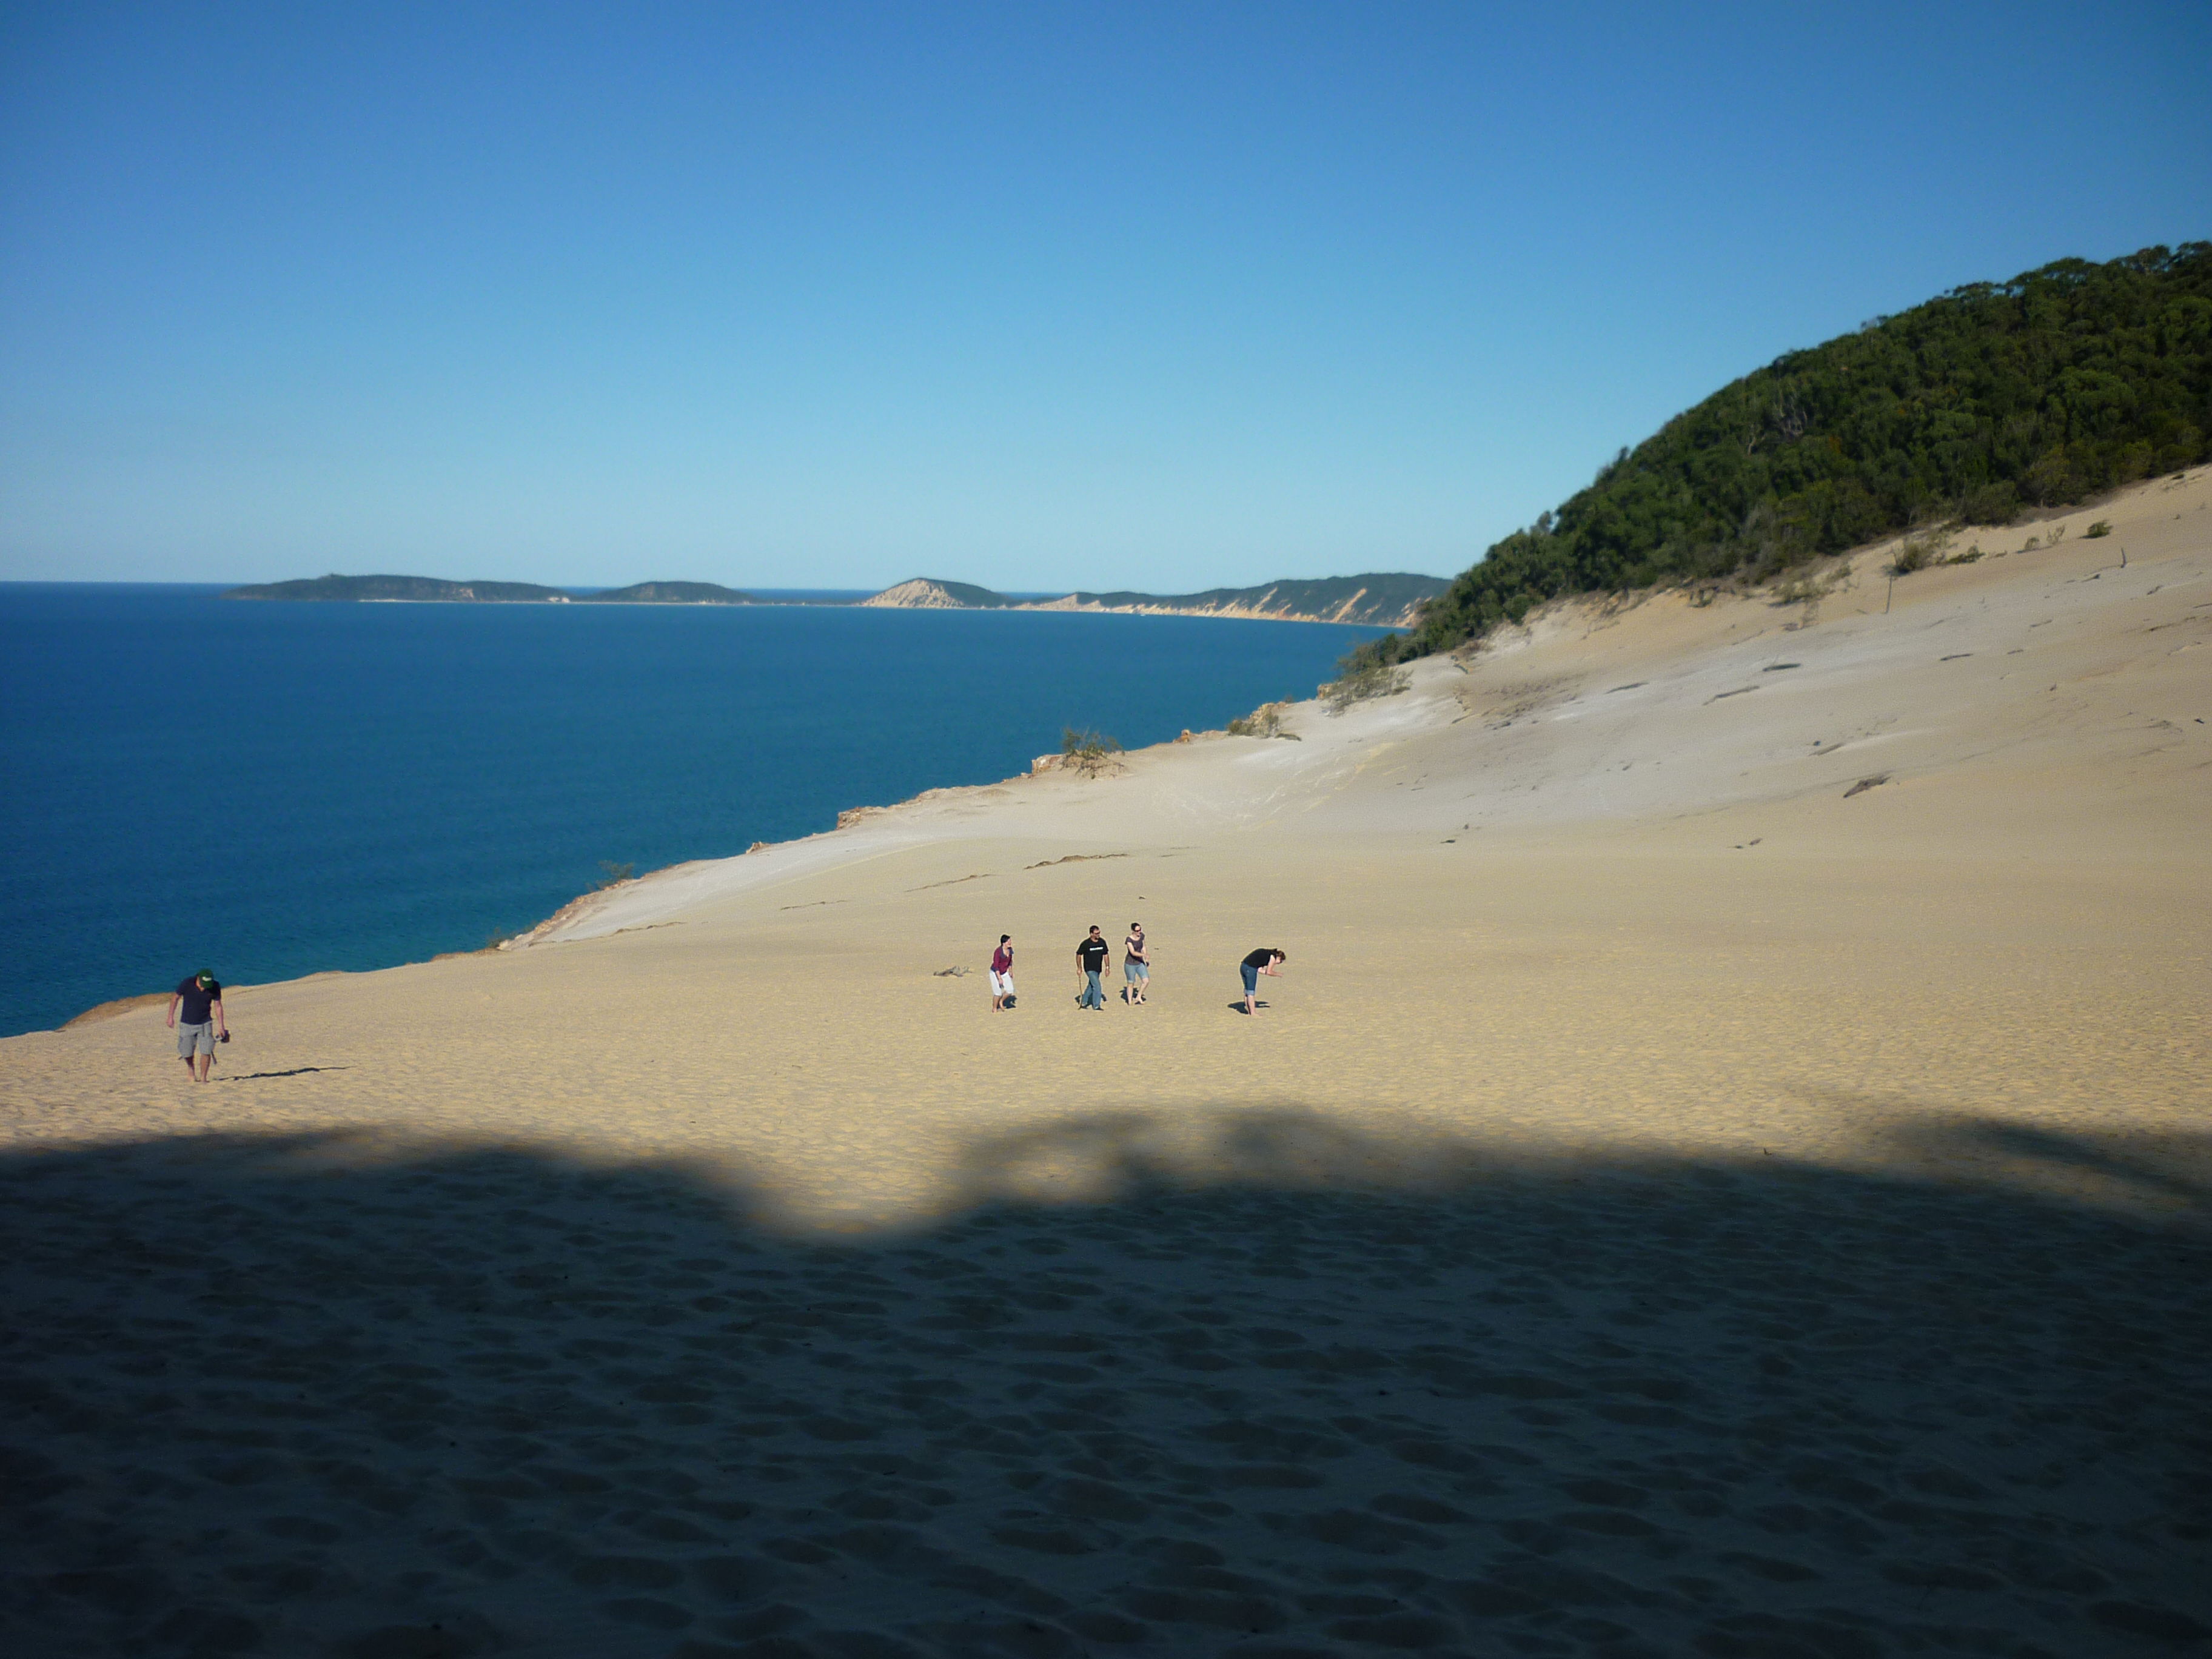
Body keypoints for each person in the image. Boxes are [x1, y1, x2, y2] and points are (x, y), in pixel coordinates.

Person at [167, 968, 228, 1082]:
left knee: (206, 1050)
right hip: (187, 1023)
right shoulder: (187, 983)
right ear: (198, 978)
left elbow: (218, 1006)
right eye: (203, 984)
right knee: (186, 1051)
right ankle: (191, 1069)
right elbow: (175, 998)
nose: (205, 987)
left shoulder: (215, 986)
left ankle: (203, 1078)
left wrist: (221, 1026)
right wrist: (170, 1017)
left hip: (205, 1023)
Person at [1239, 947, 1285, 1016]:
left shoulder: (1266, 954)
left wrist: (1270, 973)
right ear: (1279, 957)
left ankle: (1250, 1012)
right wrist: (1278, 974)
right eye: (1280, 961)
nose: (1278, 963)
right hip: (1250, 968)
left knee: (1247, 992)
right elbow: (1269, 972)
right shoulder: (1273, 957)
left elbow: (1260, 970)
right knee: (1251, 992)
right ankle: (1253, 1013)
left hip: (1243, 966)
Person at [1076, 926, 1111, 1010]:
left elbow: (1106, 955)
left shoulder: (1102, 942)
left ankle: (1084, 1002)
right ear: (1091, 934)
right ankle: (1096, 1006)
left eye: (1099, 933)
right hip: (1089, 969)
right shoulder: (1086, 944)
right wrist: (1079, 968)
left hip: (1098, 968)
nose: (1098, 935)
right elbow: (1078, 955)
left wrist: (1107, 967)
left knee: (1091, 986)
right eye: (1096, 934)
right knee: (1097, 986)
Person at [1122, 922, 1149, 1004]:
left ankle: (1139, 996)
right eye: (1137, 931)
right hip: (1130, 964)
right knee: (1131, 983)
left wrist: (1146, 957)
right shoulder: (1129, 940)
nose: (1139, 932)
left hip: (1140, 962)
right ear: (1133, 931)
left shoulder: (1142, 936)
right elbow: (1133, 952)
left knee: (1146, 980)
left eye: (1140, 930)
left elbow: (1144, 946)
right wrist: (1143, 955)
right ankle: (1130, 1001)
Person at [990, 934, 1017, 1011]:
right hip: (995, 973)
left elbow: (1010, 962)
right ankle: (994, 1008)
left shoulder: (1010, 950)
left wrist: (1011, 972)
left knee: (1010, 990)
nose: (1010, 943)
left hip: (1004, 972)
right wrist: (999, 978)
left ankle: (1001, 1001)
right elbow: (996, 966)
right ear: (1003, 943)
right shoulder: (998, 952)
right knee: (997, 993)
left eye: (1010, 941)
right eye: (1008, 941)